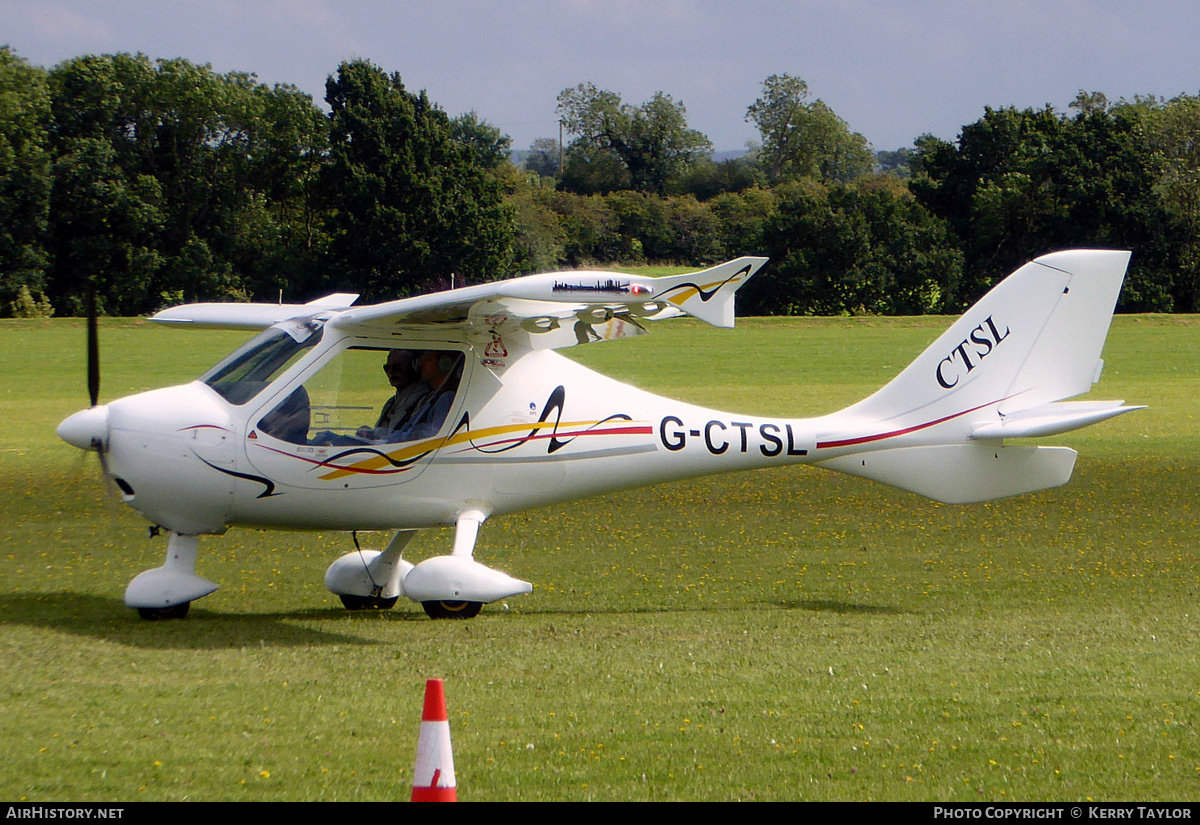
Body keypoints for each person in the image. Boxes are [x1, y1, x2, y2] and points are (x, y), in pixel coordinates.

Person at [392, 350, 462, 442]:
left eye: (427, 359)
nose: (421, 364)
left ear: (444, 364)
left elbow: (435, 437)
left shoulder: (446, 398)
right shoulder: (429, 397)